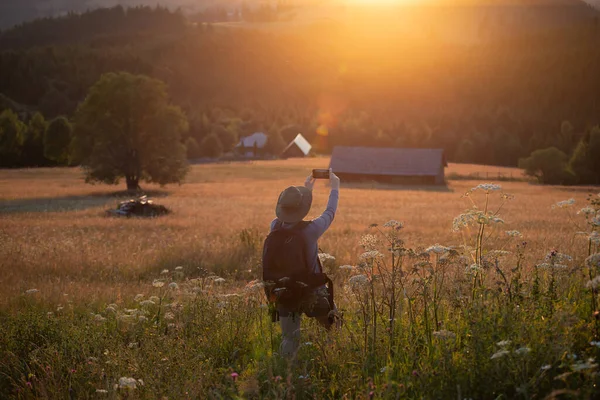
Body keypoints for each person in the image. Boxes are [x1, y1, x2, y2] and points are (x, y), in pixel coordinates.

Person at [264, 169, 340, 358]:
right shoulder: (311, 231)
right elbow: (329, 212)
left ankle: (286, 374)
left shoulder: (274, 226)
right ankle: (331, 359)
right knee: (334, 326)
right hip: (312, 290)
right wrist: (335, 188)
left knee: (289, 338)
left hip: (283, 290)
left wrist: (307, 190)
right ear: (302, 208)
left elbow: (293, 217)